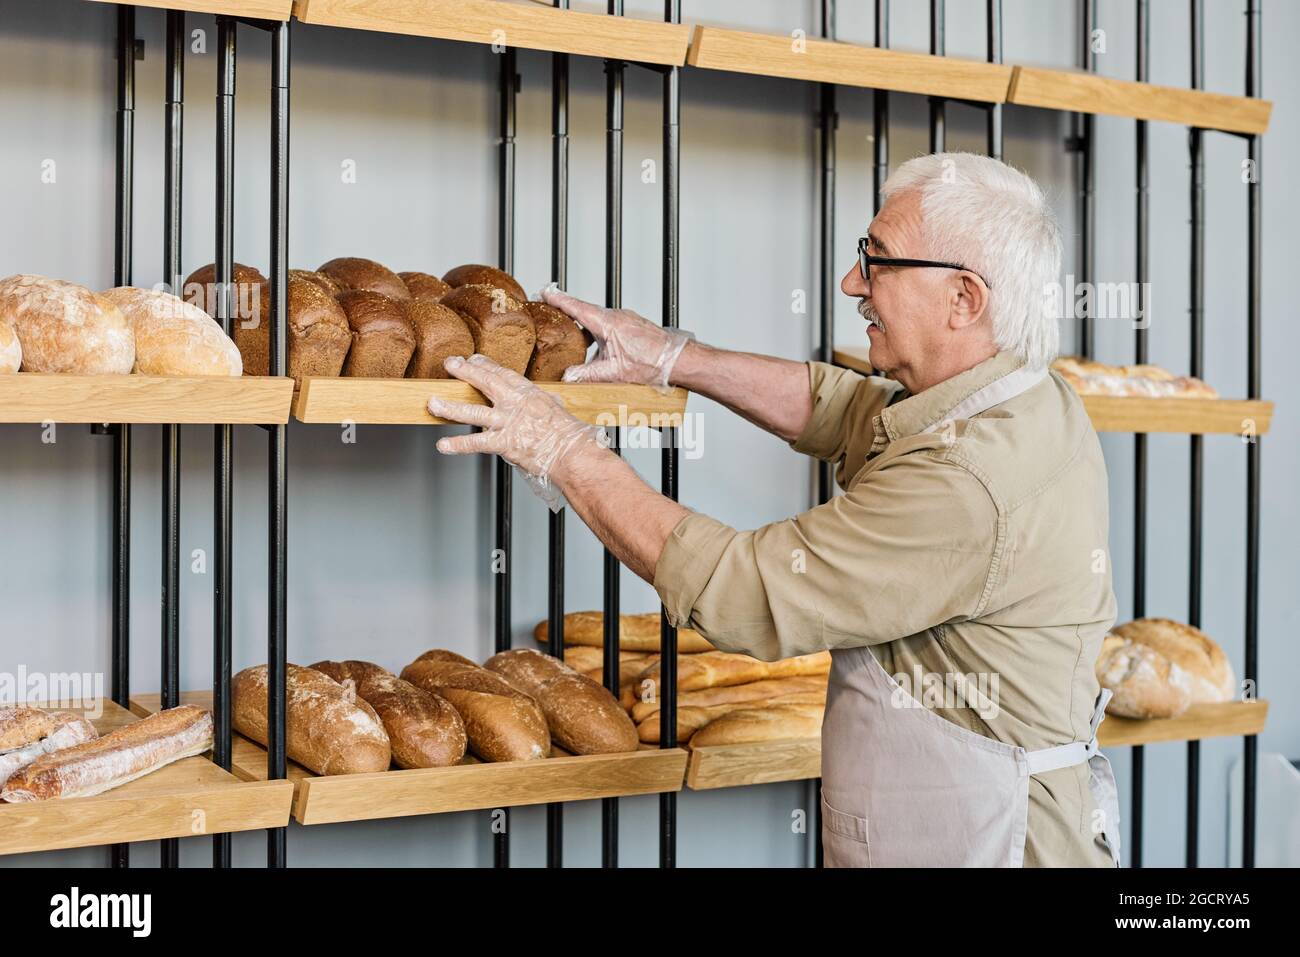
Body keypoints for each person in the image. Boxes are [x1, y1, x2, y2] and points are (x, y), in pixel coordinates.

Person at [428, 152, 1120, 868]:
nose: (853, 282)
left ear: (964, 299)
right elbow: (848, 409)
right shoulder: (1018, 396)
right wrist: (673, 358)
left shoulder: (968, 482)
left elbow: (741, 590)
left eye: (877, 260)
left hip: (998, 845)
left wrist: (564, 449)